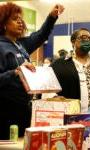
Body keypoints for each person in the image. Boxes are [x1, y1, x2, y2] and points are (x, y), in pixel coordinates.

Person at [0, 2, 64, 139]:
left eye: (20, 19)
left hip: (24, 109)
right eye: (14, 19)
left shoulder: (21, 44)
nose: (20, 22)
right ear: (3, 23)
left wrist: (52, 17)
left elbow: (41, 35)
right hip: (5, 112)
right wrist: (15, 71)